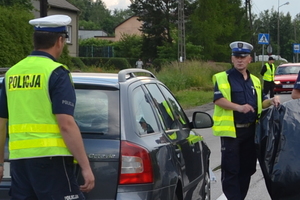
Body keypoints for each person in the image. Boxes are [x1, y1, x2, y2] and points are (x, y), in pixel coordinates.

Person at [0, 15, 95, 199]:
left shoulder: (12, 74)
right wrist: (85, 167)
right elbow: (66, 124)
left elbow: (0, 123)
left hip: (20, 162)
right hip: (52, 161)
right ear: (60, 41)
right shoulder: (56, 73)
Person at [212, 41, 280, 200]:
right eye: (236, 57)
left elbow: (260, 102)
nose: (239, 60)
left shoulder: (255, 81)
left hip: (251, 131)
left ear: (250, 59)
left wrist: (271, 101)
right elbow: (218, 100)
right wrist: (239, 107)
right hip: (232, 132)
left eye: (243, 57)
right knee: (231, 170)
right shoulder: (223, 78)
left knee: (247, 169)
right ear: (232, 59)